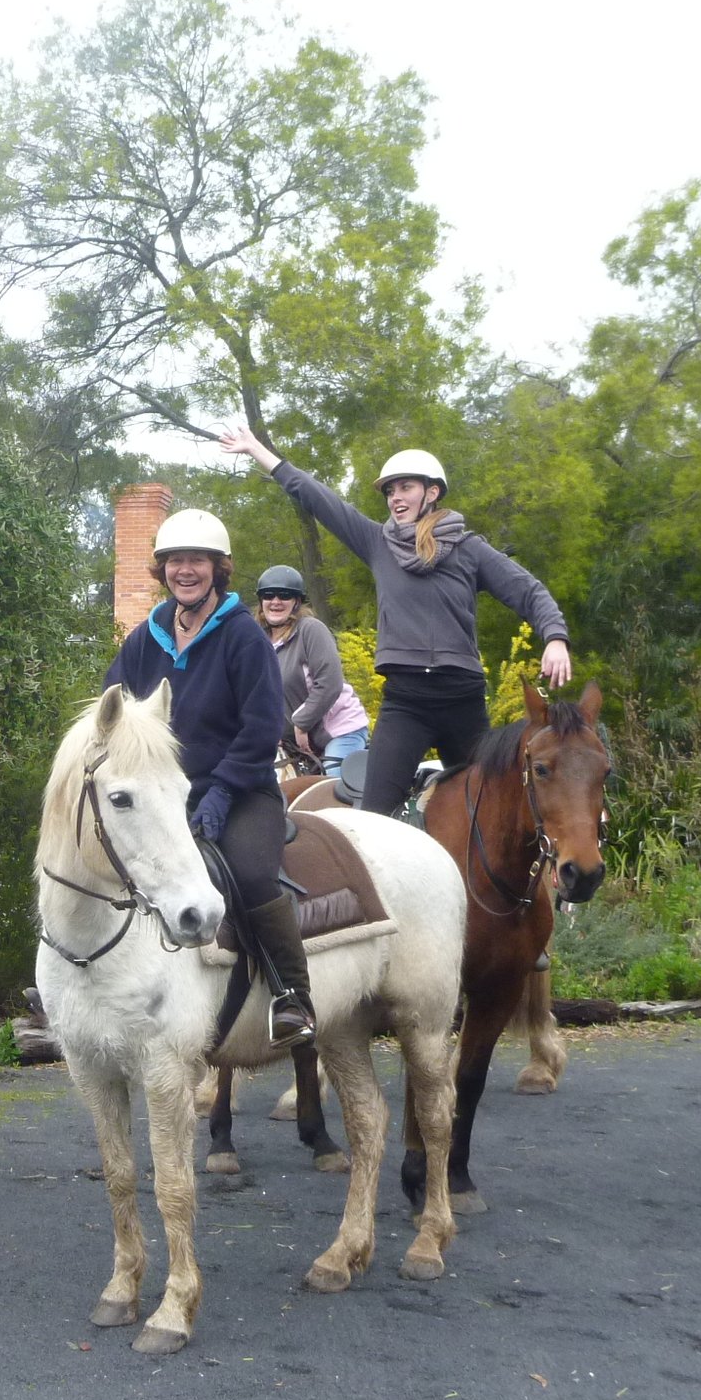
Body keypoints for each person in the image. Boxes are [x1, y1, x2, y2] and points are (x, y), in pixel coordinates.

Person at [219, 428, 572, 817]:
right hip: (406, 702)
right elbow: (318, 499)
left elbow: (529, 591)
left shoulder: (470, 549)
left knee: (490, 814)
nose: (395, 498)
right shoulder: (377, 544)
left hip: (462, 699)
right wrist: (258, 451)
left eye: (405, 487)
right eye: (390, 491)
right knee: (373, 815)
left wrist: (555, 638)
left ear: (432, 492)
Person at [104, 507, 312, 1048]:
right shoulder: (145, 638)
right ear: (163, 570)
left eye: (196, 560)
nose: (185, 570)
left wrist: (222, 788)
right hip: (162, 795)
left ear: (218, 568)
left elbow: (264, 725)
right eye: (174, 561)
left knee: (251, 872)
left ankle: (293, 997)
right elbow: (115, 708)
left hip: (240, 791)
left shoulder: (243, 636)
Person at [255, 564, 370, 777]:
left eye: (285, 596)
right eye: (269, 595)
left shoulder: (310, 629)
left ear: (297, 602)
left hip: (339, 731)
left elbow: (330, 683)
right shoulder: (258, 641)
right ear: (261, 602)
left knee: (332, 785)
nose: (276, 601)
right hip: (294, 742)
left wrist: (301, 723)